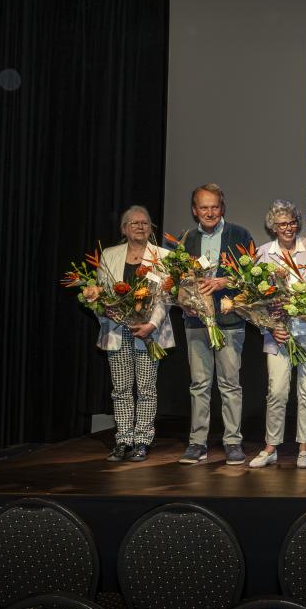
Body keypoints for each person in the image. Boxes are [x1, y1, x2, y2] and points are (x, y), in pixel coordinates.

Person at [177, 183, 255, 466]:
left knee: (230, 384)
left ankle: (233, 441)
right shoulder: (186, 240)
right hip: (196, 321)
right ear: (195, 211)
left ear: (222, 208)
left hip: (230, 321)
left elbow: (252, 278)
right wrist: (185, 298)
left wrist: (225, 281)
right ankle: (197, 443)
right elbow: (177, 281)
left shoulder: (240, 235)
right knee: (199, 384)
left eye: (215, 206)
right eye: (204, 207)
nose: (210, 212)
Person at [93, 206, 175, 463]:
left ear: (151, 228)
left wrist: (150, 324)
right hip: (117, 331)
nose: (140, 227)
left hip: (148, 332)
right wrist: (111, 314)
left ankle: (142, 439)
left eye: (145, 223)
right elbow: (100, 296)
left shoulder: (162, 256)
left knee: (147, 388)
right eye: (134, 223)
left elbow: (166, 298)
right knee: (121, 389)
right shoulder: (109, 255)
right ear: (124, 228)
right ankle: (123, 439)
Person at [247, 200, 306, 470]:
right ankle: (271, 447)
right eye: (282, 224)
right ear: (273, 227)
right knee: (276, 391)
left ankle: (304, 447)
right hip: (276, 334)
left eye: (292, 222)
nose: (288, 228)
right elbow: (253, 300)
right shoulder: (263, 253)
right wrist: (269, 326)